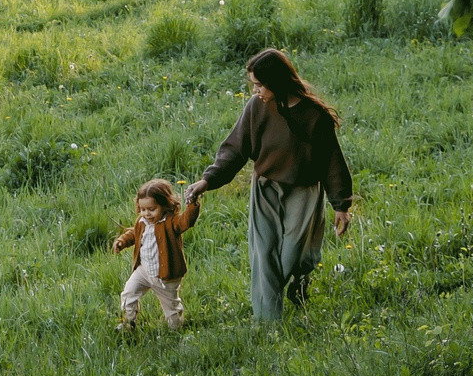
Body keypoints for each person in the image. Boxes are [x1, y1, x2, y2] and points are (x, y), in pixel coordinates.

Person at [184, 47, 353, 321]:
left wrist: (341, 205)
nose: (255, 91)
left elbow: (331, 161)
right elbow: (235, 149)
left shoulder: (314, 115)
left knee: (295, 257)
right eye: (253, 84)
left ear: (276, 82)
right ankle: (268, 325)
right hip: (266, 190)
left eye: (260, 85)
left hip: (304, 192)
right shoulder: (256, 107)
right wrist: (207, 180)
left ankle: (300, 280)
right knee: (264, 257)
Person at [109, 177, 200, 330]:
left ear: (165, 205)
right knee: (128, 293)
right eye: (143, 209)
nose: (147, 214)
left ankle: (176, 330)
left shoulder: (171, 222)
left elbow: (187, 221)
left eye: (152, 209)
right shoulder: (141, 222)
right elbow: (134, 233)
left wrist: (192, 203)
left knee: (171, 309)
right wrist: (122, 241)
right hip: (144, 270)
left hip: (166, 275)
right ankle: (129, 323)